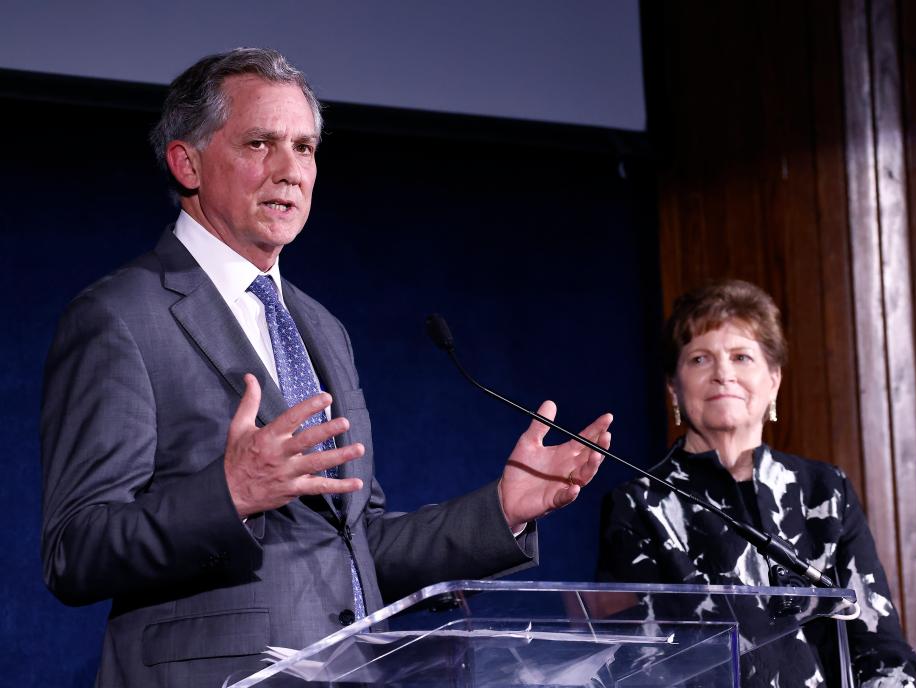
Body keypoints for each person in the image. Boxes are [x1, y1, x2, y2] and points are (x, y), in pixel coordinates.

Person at [40, 48, 612, 688]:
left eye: (306, 148)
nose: (290, 171)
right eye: (261, 143)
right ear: (188, 162)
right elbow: (74, 549)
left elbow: (355, 542)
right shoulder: (120, 316)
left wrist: (501, 510)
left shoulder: (321, 327)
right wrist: (227, 497)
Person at [597, 279, 916, 686]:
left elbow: (883, 654)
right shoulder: (636, 505)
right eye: (700, 359)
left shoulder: (826, 490)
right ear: (673, 389)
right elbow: (635, 664)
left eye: (742, 357)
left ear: (774, 382)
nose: (722, 374)